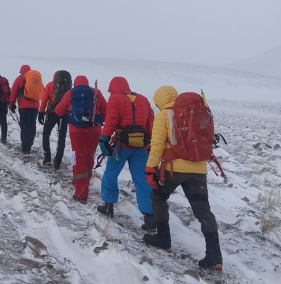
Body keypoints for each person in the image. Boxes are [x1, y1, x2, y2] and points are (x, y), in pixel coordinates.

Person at [144, 86, 223, 270]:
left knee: (158, 197)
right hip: (199, 169)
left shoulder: (164, 115)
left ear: (159, 101)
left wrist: (150, 168)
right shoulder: (195, 112)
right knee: (203, 210)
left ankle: (163, 238)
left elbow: (156, 146)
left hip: (174, 169)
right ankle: (215, 255)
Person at [97, 76, 155, 229]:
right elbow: (150, 122)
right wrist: (149, 143)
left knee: (111, 173)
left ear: (113, 88)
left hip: (121, 145)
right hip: (141, 146)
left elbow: (111, 121)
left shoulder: (115, 99)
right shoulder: (143, 99)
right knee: (142, 180)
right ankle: (150, 218)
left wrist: (104, 139)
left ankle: (108, 205)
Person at [55, 75, 107, 203]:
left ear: (75, 84)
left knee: (78, 159)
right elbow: (106, 113)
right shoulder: (96, 92)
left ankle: (81, 193)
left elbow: (59, 111)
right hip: (95, 130)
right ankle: (85, 183)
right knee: (89, 157)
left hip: (77, 131)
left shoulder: (71, 93)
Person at [38, 71, 72, 169]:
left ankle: (47, 158)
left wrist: (41, 113)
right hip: (64, 114)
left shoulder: (50, 85)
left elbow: (44, 100)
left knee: (46, 134)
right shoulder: (69, 87)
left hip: (52, 113)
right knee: (62, 137)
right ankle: (58, 162)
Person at [9, 65, 43, 154]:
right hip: (35, 106)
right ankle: (30, 143)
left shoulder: (20, 78)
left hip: (24, 107)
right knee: (32, 125)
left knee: (25, 126)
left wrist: (12, 103)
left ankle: (25, 147)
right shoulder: (36, 79)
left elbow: (14, 91)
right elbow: (41, 90)